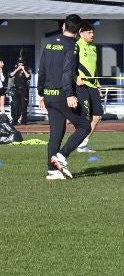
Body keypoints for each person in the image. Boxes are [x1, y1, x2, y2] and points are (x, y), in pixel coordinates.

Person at [43, 15, 92, 179]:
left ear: (63, 26)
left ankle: (52, 171)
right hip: (62, 95)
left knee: (56, 134)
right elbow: (66, 72)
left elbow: (42, 69)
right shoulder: (73, 46)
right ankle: (61, 157)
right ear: (79, 31)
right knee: (85, 126)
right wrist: (70, 94)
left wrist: (40, 94)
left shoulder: (49, 43)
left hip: (49, 96)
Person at [75, 23, 103, 153]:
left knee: (97, 116)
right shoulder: (76, 46)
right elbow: (69, 65)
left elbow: (94, 68)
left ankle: (83, 145)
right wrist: (76, 78)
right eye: (89, 32)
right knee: (82, 116)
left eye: (93, 32)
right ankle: (57, 134)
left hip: (92, 85)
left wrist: (97, 84)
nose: (92, 35)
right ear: (81, 33)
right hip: (81, 86)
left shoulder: (93, 47)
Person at [8, 56, 32, 125]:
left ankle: (24, 121)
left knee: (24, 106)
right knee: (15, 106)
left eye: (21, 63)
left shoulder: (27, 69)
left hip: (24, 89)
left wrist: (23, 70)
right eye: (19, 63)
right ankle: (15, 120)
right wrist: (17, 69)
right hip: (16, 89)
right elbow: (10, 75)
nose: (20, 64)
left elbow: (28, 77)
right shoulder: (15, 69)